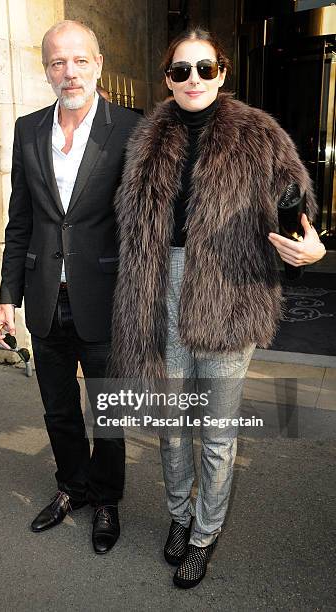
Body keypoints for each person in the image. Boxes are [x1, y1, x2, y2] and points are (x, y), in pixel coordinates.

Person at [109, 28, 326, 588]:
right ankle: (179, 518)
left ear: (223, 73)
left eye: (205, 69)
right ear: (167, 78)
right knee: (173, 427)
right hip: (161, 294)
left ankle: (205, 535)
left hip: (230, 296)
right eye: (181, 71)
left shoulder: (259, 133)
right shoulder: (146, 138)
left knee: (218, 431)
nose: (193, 80)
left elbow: (298, 203)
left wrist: (312, 243)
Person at [0, 20, 139, 554]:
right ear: (46, 69)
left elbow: (143, 222)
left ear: (99, 64)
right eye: (57, 62)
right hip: (45, 298)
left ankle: (105, 501)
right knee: (58, 410)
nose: (68, 71)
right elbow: (20, 219)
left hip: (106, 297)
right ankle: (71, 488)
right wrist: (8, 297)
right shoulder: (29, 129)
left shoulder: (131, 128)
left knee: (109, 411)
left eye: (79, 60)